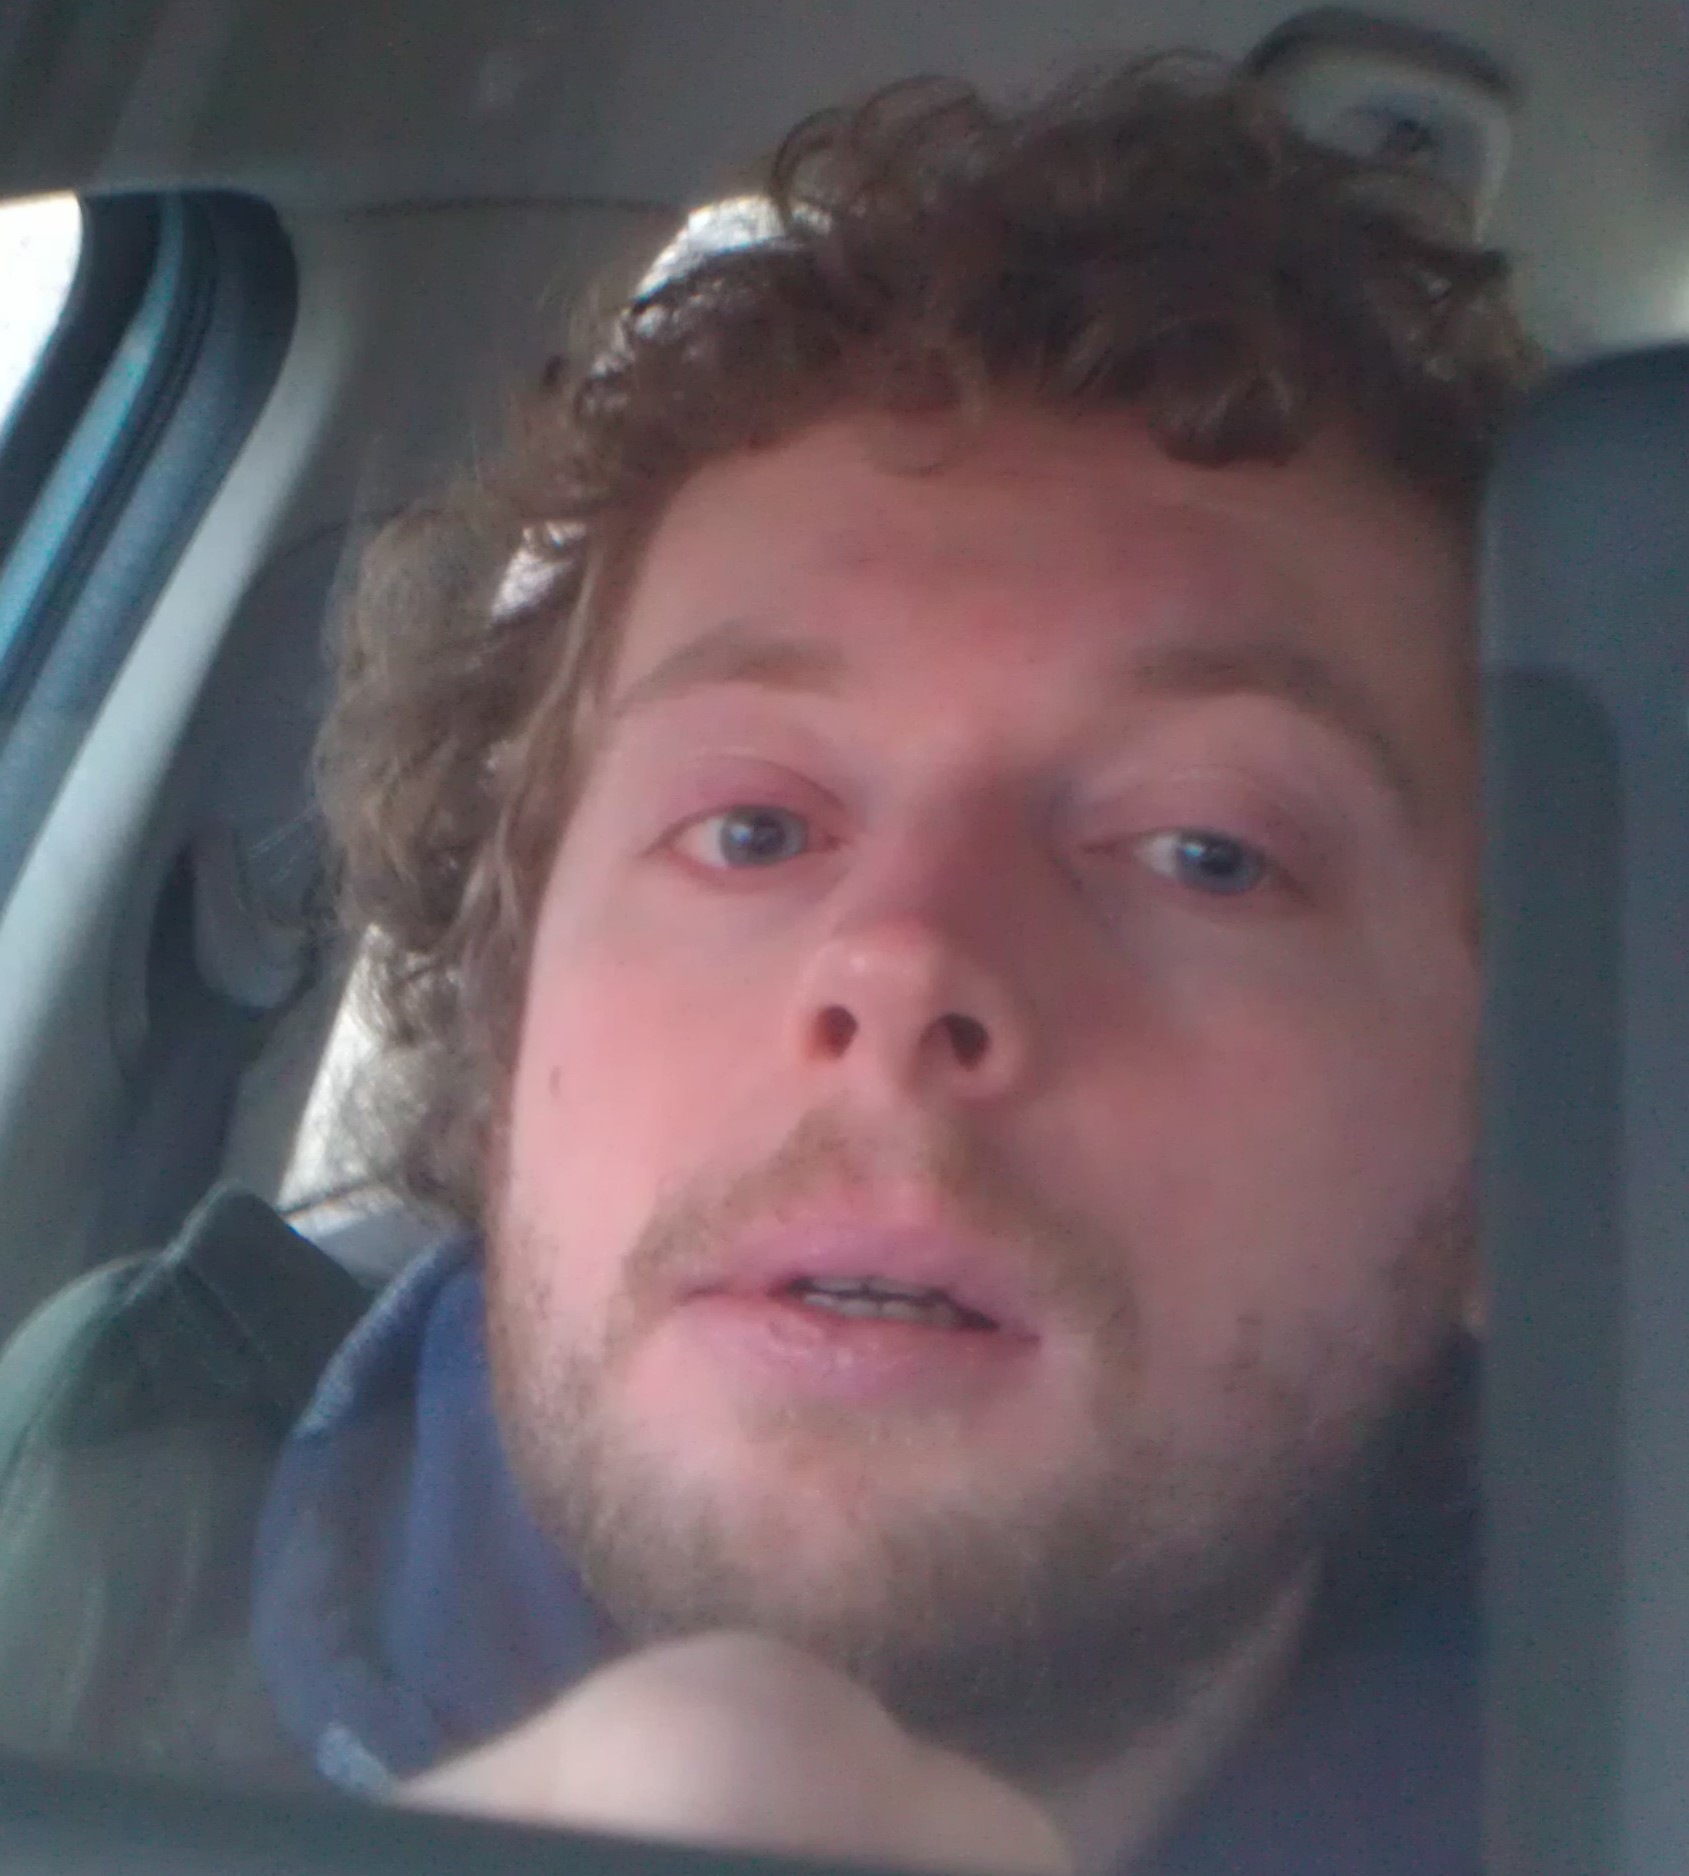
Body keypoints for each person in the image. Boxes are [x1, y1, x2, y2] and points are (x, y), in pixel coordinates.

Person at [253, 53, 1539, 1875]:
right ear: (507, 1007)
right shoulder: (57, 1552)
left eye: (1207, 853)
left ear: (1514, 1128)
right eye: (751, 829)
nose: (907, 960)